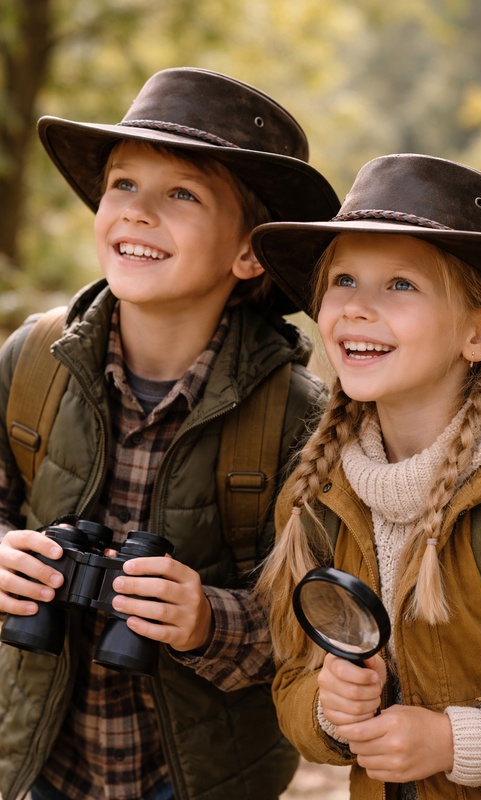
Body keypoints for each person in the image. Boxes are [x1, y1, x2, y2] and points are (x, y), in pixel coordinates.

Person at [0, 67, 339, 800]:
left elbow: (309, 623)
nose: (137, 211)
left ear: (248, 253)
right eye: (122, 183)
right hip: (38, 755)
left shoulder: (297, 417)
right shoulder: (32, 361)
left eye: (182, 194)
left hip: (198, 776)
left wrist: (207, 620)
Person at [252, 153, 481, 799]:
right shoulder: (316, 494)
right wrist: (329, 707)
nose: (356, 307)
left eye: (400, 284)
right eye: (343, 280)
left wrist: (458, 741)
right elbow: (291, 675)